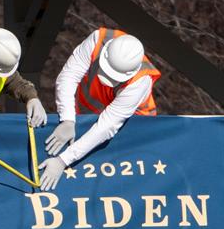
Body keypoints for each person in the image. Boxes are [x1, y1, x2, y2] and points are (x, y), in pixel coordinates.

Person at [39, 27, 161, 191]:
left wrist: (63, 160)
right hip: (85, 117)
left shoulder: (140, 82)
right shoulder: (98, 39)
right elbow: (69, 76)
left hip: (130, 129)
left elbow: (106, 127)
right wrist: (67, 119)